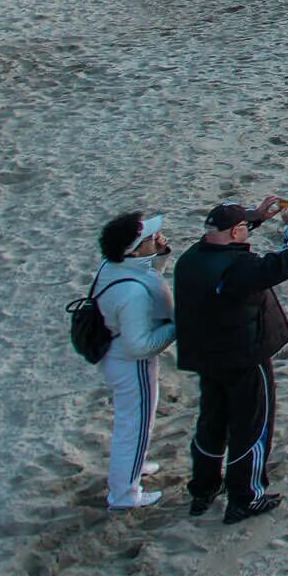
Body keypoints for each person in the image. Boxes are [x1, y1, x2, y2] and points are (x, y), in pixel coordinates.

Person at [173, 197, 288, 524]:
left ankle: (203, 488)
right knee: (251, 427)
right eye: (244, 229)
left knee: (211, 423)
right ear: (235, 232)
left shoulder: (191, 259)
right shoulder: (239, 269)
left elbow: (224, 237)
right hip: (244, 357)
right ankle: (246, 497)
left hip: (208, 358)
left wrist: (256, 217)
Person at [93, 212, 175, 510]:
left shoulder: (115, 266)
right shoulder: (131, 294)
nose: (157, 239)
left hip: (117, 355)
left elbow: (148, 275)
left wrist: (160, 256)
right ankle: (125, 495)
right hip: (130, 363)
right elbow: (139, 345)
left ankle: (134, 467)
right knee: (134, 427)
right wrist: (176, 328)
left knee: (137, 422)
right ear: (133, 250)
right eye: (150, 239)